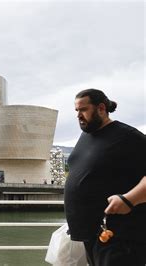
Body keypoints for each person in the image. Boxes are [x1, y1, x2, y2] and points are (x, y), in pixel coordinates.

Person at [64, 89, 146, 265]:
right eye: (76, 111)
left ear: (101, 108)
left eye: (83, 109)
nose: (79, 115)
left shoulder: (128, 137)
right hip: (91, 235)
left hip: (120, 237)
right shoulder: (86, 136)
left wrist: (129, 199)